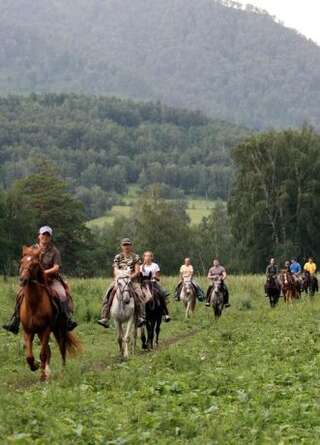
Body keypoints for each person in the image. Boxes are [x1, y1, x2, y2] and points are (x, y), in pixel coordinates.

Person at [3, 226, 77, 335]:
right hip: (34, 280)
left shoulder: (54, 251)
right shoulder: (31, 249)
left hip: (51, 279)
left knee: (62, 294)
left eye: (47, 235)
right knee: (19, 295)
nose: (45, 237)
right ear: (39, 236)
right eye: (43, 235)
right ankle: (15, 321)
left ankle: (67, 319)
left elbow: (56, 267)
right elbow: (25, 262)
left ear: (50, 238)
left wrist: (44, 273)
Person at [97, 238, 146, 329]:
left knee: (140, 295)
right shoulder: (118, 257)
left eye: (128, 245)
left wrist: (129, 277)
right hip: (119, 279)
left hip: (132, 280)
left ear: (131, 246)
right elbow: (115, 270)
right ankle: (105, 317)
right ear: (121, 246)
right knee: (108, 294)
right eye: (124, 245)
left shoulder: (136, 257)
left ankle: (140, 317)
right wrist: (120, 277)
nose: (126, 246)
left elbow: (137, 271)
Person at [140, 251, 170, 322]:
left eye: (149, 256)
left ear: (152, 257)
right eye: (146, 256)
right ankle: (138, 315)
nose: (147, 257)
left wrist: (154, 277)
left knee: (162, 292)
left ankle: (165, 313)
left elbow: (158, 277)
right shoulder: (141, 266)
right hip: (143, 284)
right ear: (143, 257)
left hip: (153, 283)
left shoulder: (155, 265)